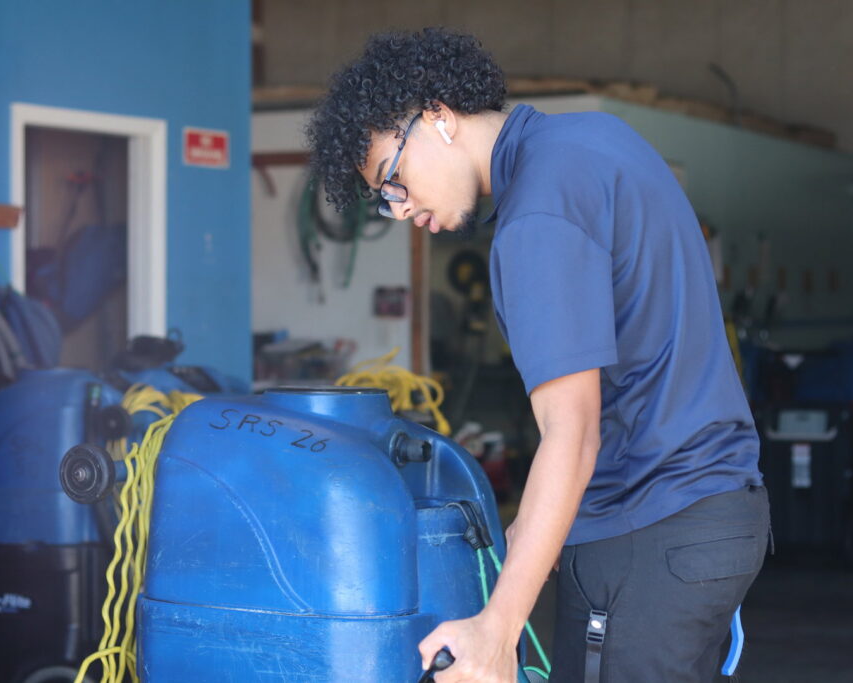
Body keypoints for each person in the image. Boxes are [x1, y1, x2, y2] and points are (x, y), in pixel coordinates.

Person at [306, 28, 769, 683]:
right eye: (389, 199)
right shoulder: (594, 140)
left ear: (437, 117)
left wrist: (496, 631)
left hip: (650, 523)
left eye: (393, 178)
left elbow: (572, 432)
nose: (403, 208)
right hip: (712, 511)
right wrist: (531, 527)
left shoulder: (535, 221)